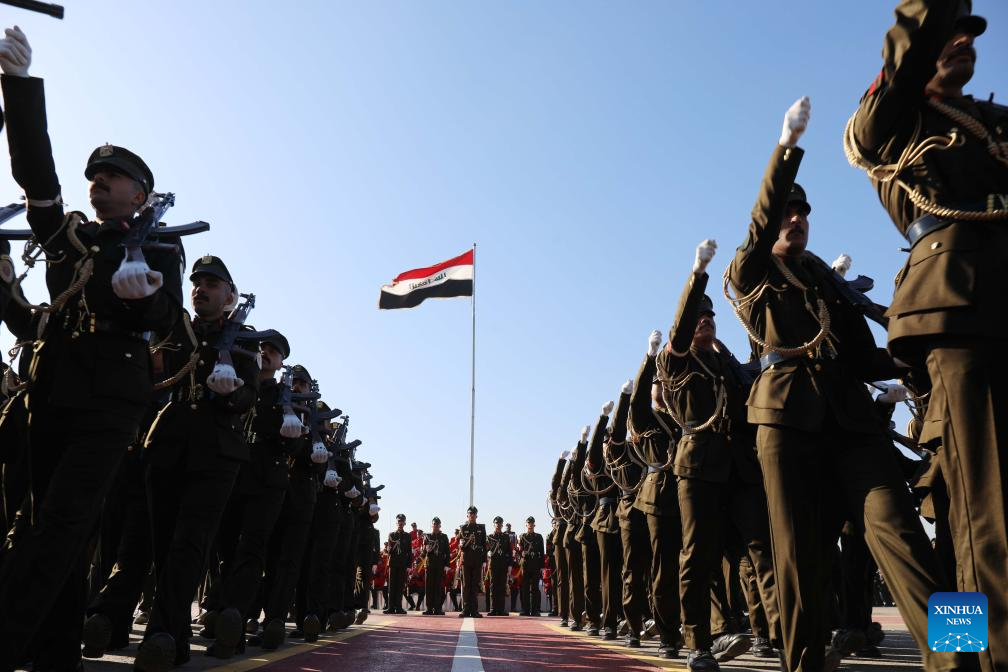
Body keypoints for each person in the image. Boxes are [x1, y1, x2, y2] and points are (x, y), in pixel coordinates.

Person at [726, 96, 966, 672]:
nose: (796, 219)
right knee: (800, 561)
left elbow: (867, 356)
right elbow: (758, 230)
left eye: (804, 212)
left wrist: (922, 362)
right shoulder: (751, 271)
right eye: (788, 211)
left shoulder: (826, 282)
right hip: (786, 426)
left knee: (903, 536)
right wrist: (787, 152)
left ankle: (966, 656)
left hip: (853, 427)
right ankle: (804, 665)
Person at [0, 26, 183, 672]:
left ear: (141, 193)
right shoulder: (68, 236)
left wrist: (140, 299)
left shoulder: (159, 243)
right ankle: (52, 654)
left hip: (112, 391)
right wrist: (19, 89)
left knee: (62, 524)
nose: (99, 184)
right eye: (96, 177)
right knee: (46, 527)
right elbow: (37, 180)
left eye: (114, 178)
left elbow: (168, 313)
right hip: (53, 384)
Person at [845, 5, 1007, 671]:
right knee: (979, 517)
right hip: (958, 312)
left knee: (963, 523)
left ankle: (955, 659)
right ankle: (980, 659)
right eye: (950, 33)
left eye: (970, 33)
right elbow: (903, 65)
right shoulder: (898, 120)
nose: (963, 42)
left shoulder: (994, 123)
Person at [655, 240, 778, 670]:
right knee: (699, 554)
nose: (706, 322)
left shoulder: (727, 363)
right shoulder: (678, 364)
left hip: (739, 468)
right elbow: (680, 326)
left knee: (760, 547)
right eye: (699, 318)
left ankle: (779, 633)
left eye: (711, 317)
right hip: (699, 468)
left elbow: (760, 371)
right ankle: (698, 643)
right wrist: (699, 274)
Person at [458, 506, 487, 617]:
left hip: (477, 560)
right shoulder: (463, 528)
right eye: (470, 514)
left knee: (475, 585)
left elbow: (484, 545)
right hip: (466, 560)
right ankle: (465, 609)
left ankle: (474, 610)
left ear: (476, 515)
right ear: (467, 516)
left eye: (474, 514)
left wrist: (484, 560)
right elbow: (461, 546)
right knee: (466, 585)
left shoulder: (481, 528)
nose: (472, 516)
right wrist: (464, 543)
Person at [517, 517, 545, 617]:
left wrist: (542, 567)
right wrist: (521, 553)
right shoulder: (522, 537)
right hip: (526, 565)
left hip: (536, 565)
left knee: (535, 588)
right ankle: (525, 609)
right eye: (528, 523)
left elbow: (542, 552)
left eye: (532, 523)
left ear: (534, 525)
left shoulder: (539, 537)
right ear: (526, 524)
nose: (530, 525)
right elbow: (518, 551)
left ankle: (535, 610)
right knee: (524, 588)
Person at [422, 517, 450, 615]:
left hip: (440, 565)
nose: (436, 526)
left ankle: (438, 608)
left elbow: (447, 551)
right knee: (429, 587)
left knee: (439, 587)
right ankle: (429, 608)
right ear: (432, 525)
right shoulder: (427, 536)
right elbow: (423, 552)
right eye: (434, 524)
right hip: (430, 564)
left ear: (440, 526)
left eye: (437, 525)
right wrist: (426, 550)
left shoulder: (444, 537)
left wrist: (447, 565)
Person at [384, 513, 411, 615]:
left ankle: (398, 607)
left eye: (402, 521)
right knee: (392, 585)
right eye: (399, 521)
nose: (400, 523)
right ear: (397, 522)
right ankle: (391, 607)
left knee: (400, 586)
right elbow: (389, 551)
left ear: (404, 523)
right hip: (393, 563)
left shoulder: (407, 536)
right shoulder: (392, 535)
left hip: (402, 563)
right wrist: (389, 548)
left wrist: (409, 566)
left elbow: (409, 551)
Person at [487, 516, 512, 615]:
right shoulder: (490, 537)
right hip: (493, 564)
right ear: (494, 524)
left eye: (500, 523)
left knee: (502, 587)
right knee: (493, 587)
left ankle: (501, 609)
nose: (498, 525)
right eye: (496, 523)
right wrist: (487, 553)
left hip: (503, 564)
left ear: (502, 525)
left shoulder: (505, 537)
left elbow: (509, 552)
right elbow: (485, 549)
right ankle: (493, 609)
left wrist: (510, 565)